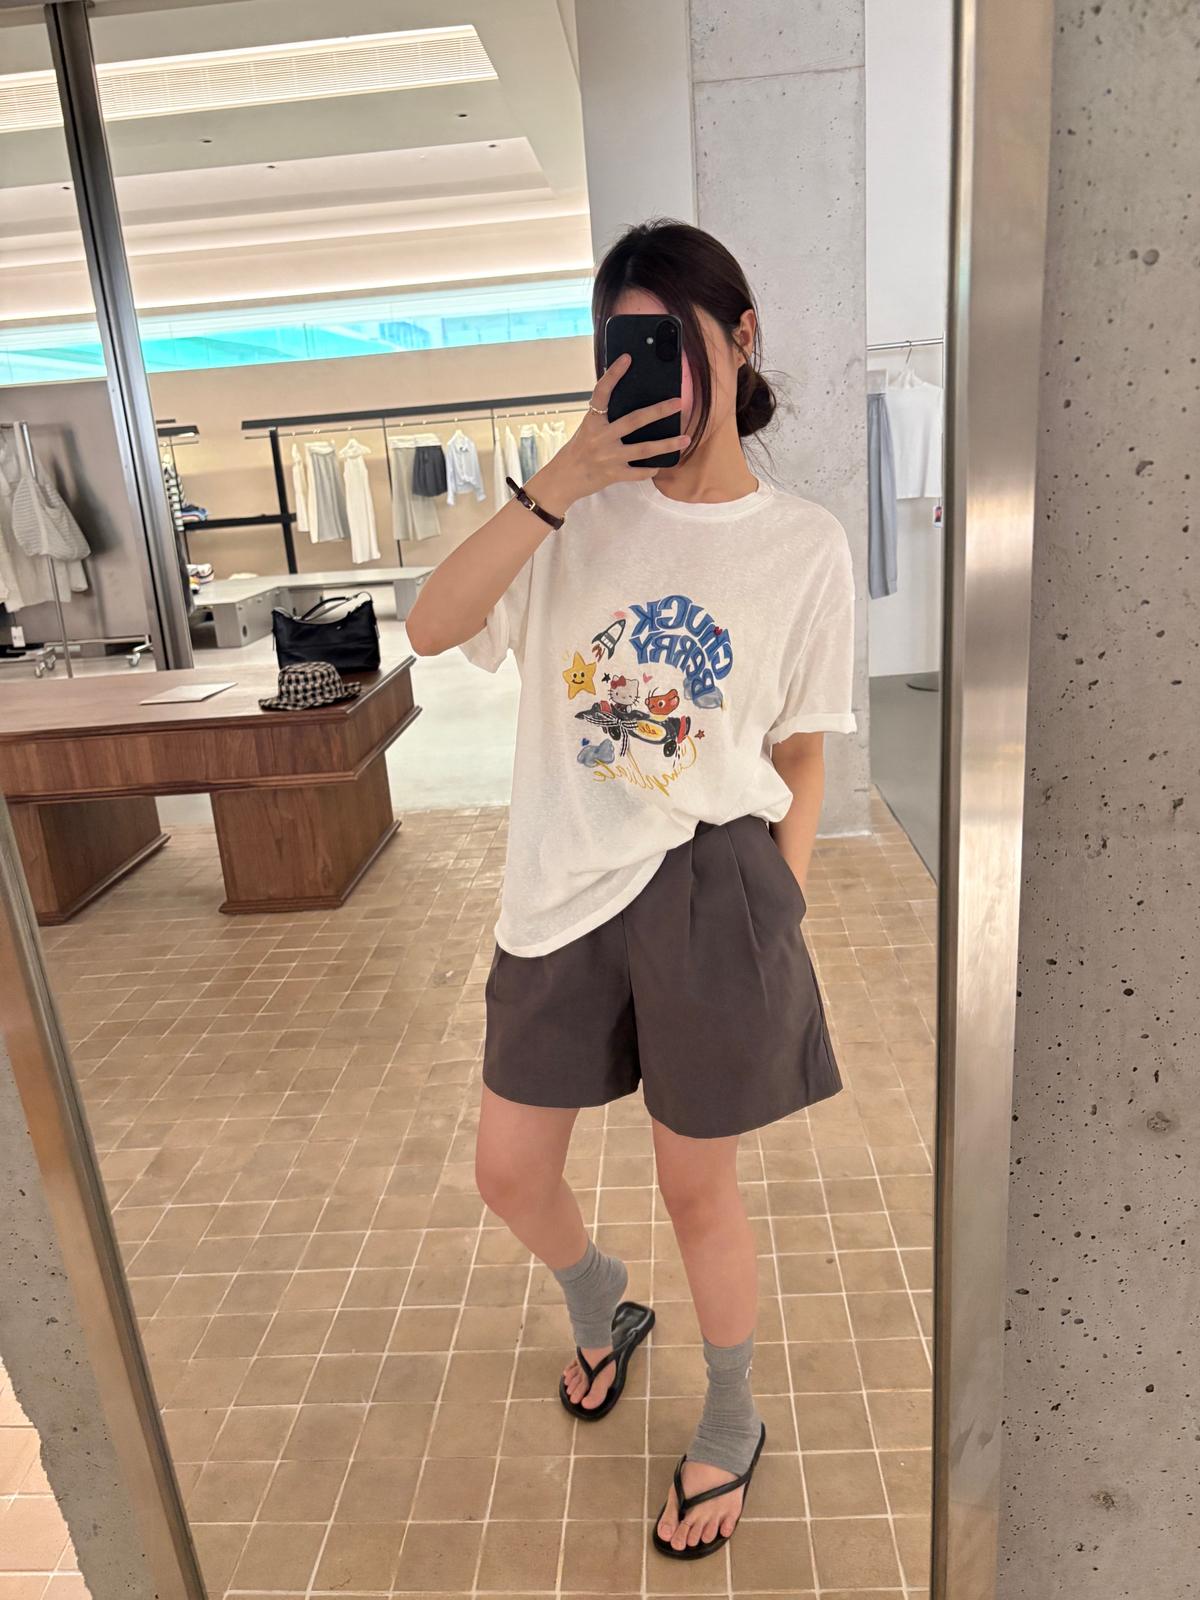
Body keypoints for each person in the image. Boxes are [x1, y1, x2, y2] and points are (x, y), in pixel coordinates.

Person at [406, 219, 857, 1559]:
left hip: (711, 884)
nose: (644, 367)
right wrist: (556, 484)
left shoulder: (805, 545)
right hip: (560, 877)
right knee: (508, 1171)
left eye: (672, 338)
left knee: (695, 1187)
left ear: (742, 337)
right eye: (622, 343)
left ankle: (732, 1411)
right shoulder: (569, 514)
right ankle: (597, 1293)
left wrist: (780, 906)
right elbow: (429, 629)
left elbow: (802, 751)